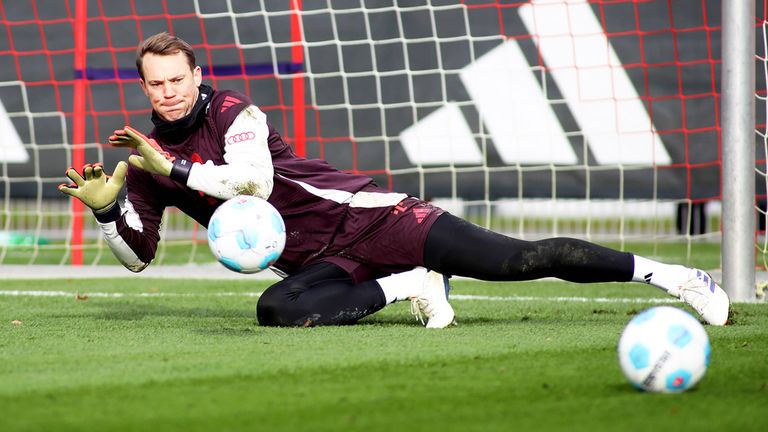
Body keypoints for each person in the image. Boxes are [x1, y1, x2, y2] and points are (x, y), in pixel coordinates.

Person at [58, 32, 730, 328]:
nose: (170, 92)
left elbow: (253, 183)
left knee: (522, 260)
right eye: (157, 83)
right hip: (322, 262)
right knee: (277, 311)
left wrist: (170, 165)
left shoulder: (236, 112)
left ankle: (673, 277)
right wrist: (109, 209)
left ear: (198, 78)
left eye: (180, 80)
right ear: (142, 86)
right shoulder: (140, 159)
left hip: (374, 217)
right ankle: (408, 286)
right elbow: (137, 259)